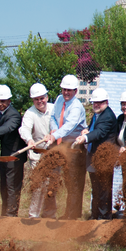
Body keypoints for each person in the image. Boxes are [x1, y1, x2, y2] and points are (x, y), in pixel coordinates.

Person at [47, 74, 87, 220]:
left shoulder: (76, 106)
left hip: (75, 146)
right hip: (63, 144)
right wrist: (54, 129)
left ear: (75, 91)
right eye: (64, 89)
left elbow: (70, 125)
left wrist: (55, 135)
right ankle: (69, 213)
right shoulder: (59, 100)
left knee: (74, 182)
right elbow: (53, 117)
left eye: (69, 90)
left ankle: (73, 215)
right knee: (67, 180)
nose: (66, 92)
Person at [0, 85, 26, 217]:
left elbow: (7, 128)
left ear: (9, 101)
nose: (0, 104)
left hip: (15, 155)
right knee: (4, 185)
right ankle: (5, 213)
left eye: (3, 101)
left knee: (12, 185)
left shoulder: (14, 115)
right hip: (4, 154)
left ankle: (11, 214)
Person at [75, 88, 117, 220]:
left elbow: (100, 132)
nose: (96, 105)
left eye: (100, 102)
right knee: (96, 188)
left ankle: (103, 217)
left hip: (104, 158)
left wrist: (85, 138)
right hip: (94, 157)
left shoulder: (108, 116)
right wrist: (87, 130)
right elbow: (94, 128)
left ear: (106, 102)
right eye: (95, 102)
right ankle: (95, 215)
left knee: (104, 189)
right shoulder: (97, 114)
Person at [19, 83, 54, 218]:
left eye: (42, 98)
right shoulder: (30, 113)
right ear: (33, 100)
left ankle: (49, 214)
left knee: (52, 185)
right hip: (37, 154)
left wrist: (52, 134)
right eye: (36, 99)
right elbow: (24, 129)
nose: (40, 101)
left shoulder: (54, 108)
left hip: (53, 153)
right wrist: (29, 140)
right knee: (39, 185)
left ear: (47, 97)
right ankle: (33, 215)